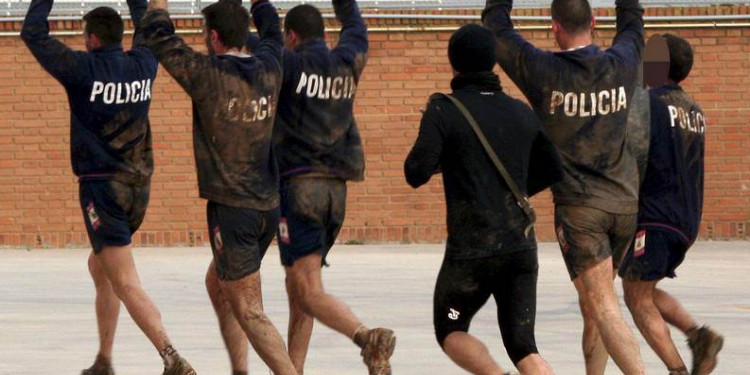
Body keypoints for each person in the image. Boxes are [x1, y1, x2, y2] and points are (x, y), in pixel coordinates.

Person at [21, 0, 195, 373]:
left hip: (103, 190)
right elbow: (147, 27)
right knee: (100, 268)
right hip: (139, 187)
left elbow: (32, 33)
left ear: (92, 39)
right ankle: (104, 360)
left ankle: (171, 356)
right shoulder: (143, 64)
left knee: (126, 281)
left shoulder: (81, 69)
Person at [228, 1, 395, 374]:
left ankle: (366, 337)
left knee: (307, 289)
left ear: (292, 36)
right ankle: (296, 368)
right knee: (300, 285)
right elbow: (355, 24)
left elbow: (264, 42)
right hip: (337, 192)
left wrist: (257, 6)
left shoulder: (289, 62)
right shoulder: (347, 60)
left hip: (300, 188)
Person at [482, 0, 647, 373]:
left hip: (580, 210)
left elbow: (497, 31)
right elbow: (633, 22)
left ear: (554, 26)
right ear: (594, 20)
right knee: (594, 307)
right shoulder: (621, 63)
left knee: (603, 307)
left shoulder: (543, 71)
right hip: (625, 205)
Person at [139, 0, 298, 374]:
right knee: (218, 283)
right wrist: (258, 4)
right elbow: (273, 28)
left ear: (213, 36)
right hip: (268, 206)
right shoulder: (270, 65)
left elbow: (161, 38)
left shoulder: (208, 75)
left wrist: (158, 4)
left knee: (249, 309)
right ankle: (240, 370)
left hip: (233, 210)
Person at [405, 24, 563, 375]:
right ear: (493, 62)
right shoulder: (521, 111)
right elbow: (554, 169)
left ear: (454, 62)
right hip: (520, 247)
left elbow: (415, 171)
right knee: (523, 345)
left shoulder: (444, 110)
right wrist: (513, 191)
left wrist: (448, 151)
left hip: (471, 253)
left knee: (450, 330)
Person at [620, 34, 723, 375]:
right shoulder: (694, 109)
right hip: (685, 219)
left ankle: (677, 369)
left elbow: (628, 154)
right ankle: (699, 337)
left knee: (635, 297)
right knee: (642, 288)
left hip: (655, 218)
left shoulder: (647, 104)